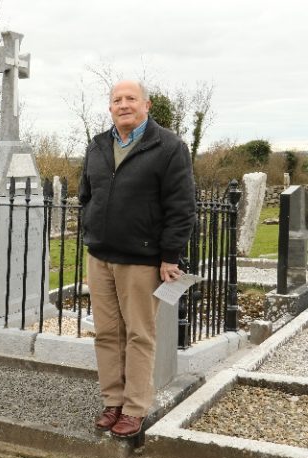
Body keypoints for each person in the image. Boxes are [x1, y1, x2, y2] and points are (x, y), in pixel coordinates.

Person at [79, 80, 196, 438]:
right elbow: (87, 196)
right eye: (117, 100)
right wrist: (91, 229)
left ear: (146, 106)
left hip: (142, 260)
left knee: (139, 335)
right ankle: (112, 401)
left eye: (131, 99)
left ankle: (134, 408)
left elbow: (181, 207)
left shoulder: (169, 147)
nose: (123, 104)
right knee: (106, 334)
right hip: (100, 256)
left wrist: (169, 255)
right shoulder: (98, 145)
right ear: (110, 107)